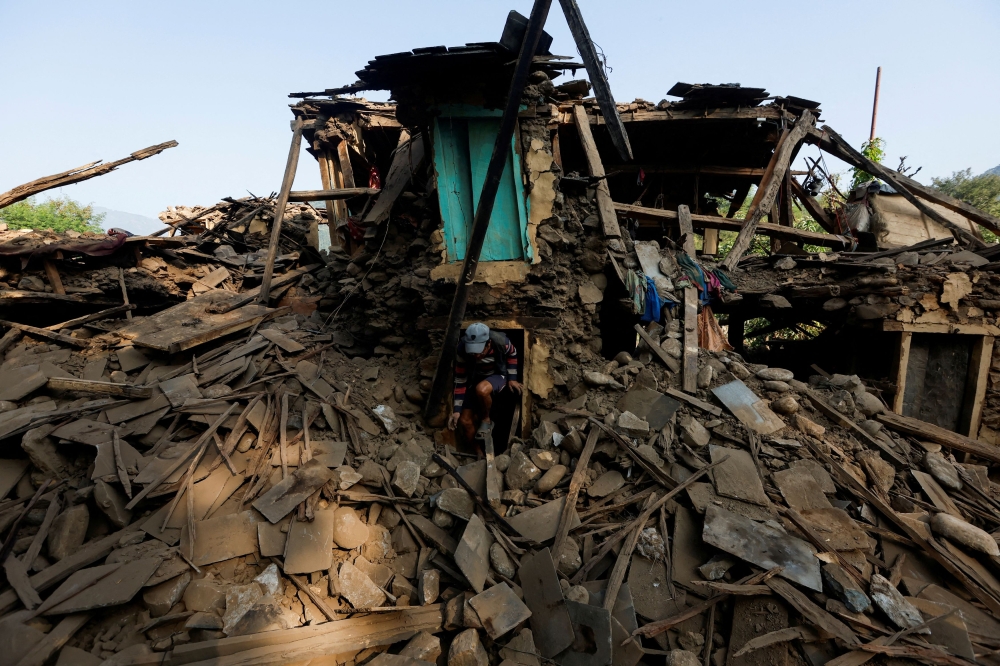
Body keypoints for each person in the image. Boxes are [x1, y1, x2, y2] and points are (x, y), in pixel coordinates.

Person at [447, 322, 522, 442]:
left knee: (481, 389)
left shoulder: (502, 342)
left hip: (497, 375)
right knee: (464, 421)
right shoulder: (461, 349)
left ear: (488, 344)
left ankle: (486, 420)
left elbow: (513, 353)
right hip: (474, 378)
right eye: (472, 352)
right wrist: (456, 411)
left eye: (479, 351)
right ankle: (479, 454)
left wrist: (512, 379)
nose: (476, 356)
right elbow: (460, 379)